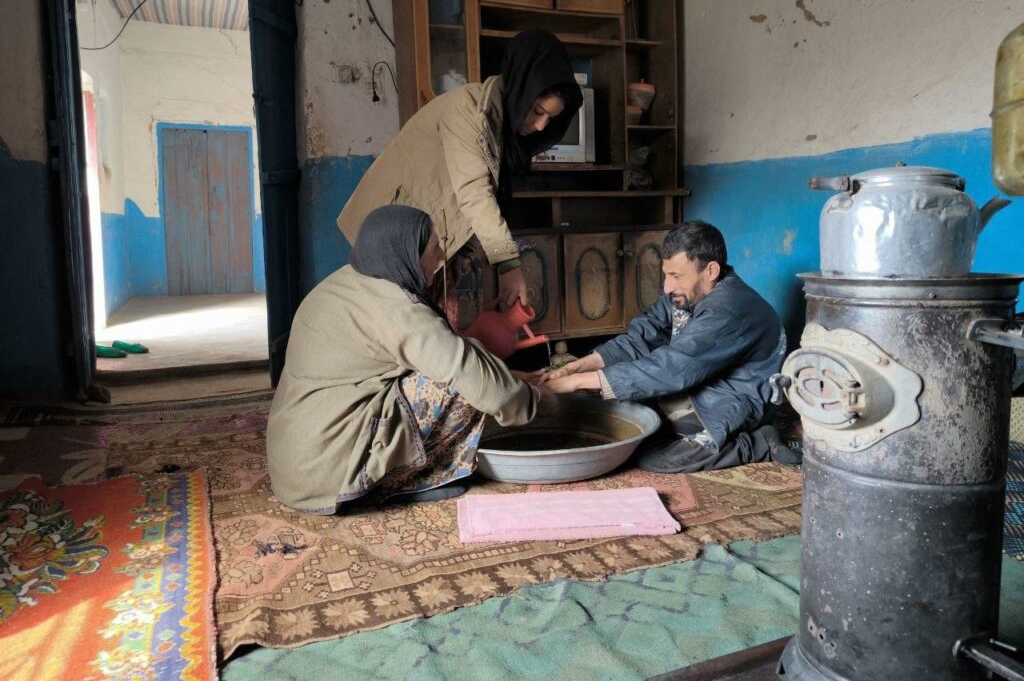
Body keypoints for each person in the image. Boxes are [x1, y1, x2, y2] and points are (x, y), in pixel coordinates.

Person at [267, 205, 542, 514]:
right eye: (433, 249)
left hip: (293, 466)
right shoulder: (398, 309)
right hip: (328, 477)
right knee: (460, 386)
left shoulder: (344, 282)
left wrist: (508, 375)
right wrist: (536, 401)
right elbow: (467, 370)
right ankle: (403, 483)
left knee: (458, 364)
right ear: (407, 255)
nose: (440, 259)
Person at [338, 29, 583, 308]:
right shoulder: (467, 110)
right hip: (393, 238)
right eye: (538, 111)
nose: (541, 126)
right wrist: (509, 266)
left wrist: (460, 265)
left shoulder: (505, 135)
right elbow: (475, 194)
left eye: (551, 119)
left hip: (426, 243)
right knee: (390, 326)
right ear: (521, 90)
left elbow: (470, 210)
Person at [541, 221, 799, 473]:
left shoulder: (731, 310)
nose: (666, 286)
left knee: (654, 458)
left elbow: (672, 368)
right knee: (620, 411)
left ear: (710, 271)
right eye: (666, 274)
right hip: (700, 387)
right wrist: (576, 368)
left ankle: (757, 443)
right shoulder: (686, 293)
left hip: (731, 401)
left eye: (676, 276)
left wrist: (575, 383)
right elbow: (642, 335)